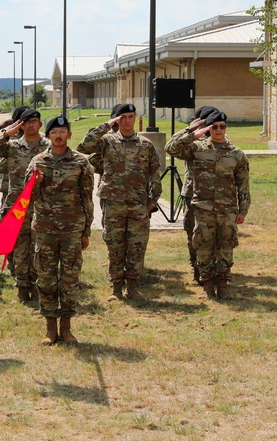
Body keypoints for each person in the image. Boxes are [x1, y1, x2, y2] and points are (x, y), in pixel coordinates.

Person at [77, 103, 161, 301]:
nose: (127, 120)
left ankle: (132, 286)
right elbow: (84, 146)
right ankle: (115, 287)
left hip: (138, 203)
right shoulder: (106, 141)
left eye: (131, 116)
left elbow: (154, 174)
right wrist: (106, 125)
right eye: (122, 117)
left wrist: (153, 200)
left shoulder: (145, 144)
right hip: (113, 202)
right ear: (116, 119)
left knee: (137, 245)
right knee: (114, 245)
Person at [165, 110, 250, 299]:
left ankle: (223, 284)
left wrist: (243, 210)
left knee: (226, 246)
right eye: (214, 127)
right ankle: (207, 285)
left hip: (227, 209)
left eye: (222, 126)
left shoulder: (236, 154)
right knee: (203, 246)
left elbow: (243, 185)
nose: (219, 130)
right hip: (203, 207)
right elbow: (170, 148)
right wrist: (191, 131)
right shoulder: (196, 149)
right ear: (208, 128)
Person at [25, 116, 94, 345]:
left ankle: (66, 328)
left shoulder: (81, 162)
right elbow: (27, 198)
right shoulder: (38, 161)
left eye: (63, 131)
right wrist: (36, 183)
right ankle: (50, 329)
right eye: (54, 131)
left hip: (72, 230)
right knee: (45, 278)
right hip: (45, 230)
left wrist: (86, 231)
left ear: (69, 135)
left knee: (70, 278)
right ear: (48, 135)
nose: (58, 135)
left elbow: (87, 198)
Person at [0, 108, 50, 302]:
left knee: (38, 247)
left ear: (40, 124)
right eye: (26, 122)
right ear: (21, 125)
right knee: (18, 247)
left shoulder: (49, 146)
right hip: (16, 205)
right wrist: (6, 133)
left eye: (34, 121)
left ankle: (35, 286)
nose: (31, 125)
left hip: (41, 206)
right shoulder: (12, 146)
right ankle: (21, 288)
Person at [180, 106, 218, 284]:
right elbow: (173, 147)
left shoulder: (220, 137)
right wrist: (191, 131)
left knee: (214, 234)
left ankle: (213, 270)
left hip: (214, 196)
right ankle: (196, 269)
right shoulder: (191, 141)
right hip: (192, 193)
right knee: (192, 232)